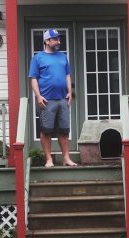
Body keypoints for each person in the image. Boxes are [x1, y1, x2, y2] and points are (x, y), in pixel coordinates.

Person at [28, 28, 77, 167]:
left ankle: (66, 159)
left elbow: (67, 75)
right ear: (47, 41)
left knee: (64, 131)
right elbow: (33, 79)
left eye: (58, 39)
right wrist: (38, 96)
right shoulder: (38, 58)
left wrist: (69, 92)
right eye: (55, 39)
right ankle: (49, 160)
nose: (58, 41)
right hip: (46, 101)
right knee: (46, 131)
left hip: (63, 99)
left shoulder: (63, 57)